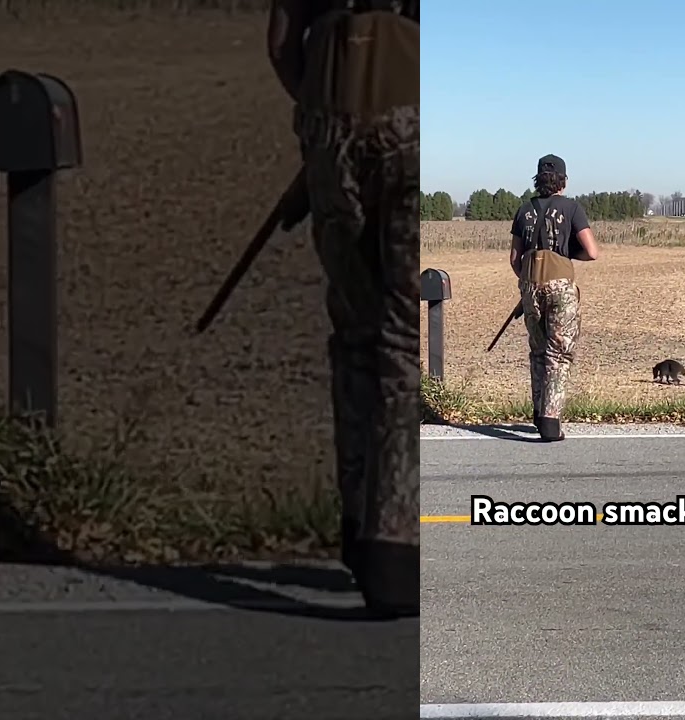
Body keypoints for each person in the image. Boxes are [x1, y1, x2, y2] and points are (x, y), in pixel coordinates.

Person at [267, 0, 419, 617]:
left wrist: (324, 126)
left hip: (328, 130)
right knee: (398, 340)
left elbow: (282, 41)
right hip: (409, 122)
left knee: (354, 335)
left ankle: (358, 532)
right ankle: (395, 548)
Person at [508, 154, 600, 442]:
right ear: (563, 180)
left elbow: (514, 259)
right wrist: (565, 255)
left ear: (538, 179)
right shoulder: (572, 208)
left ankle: (538, 414)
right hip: (561, 285)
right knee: (558, 354)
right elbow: (592, 251)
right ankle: (550, 421)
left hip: (530, 285)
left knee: (537, 351)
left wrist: (530, 282)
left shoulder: (524, 210)